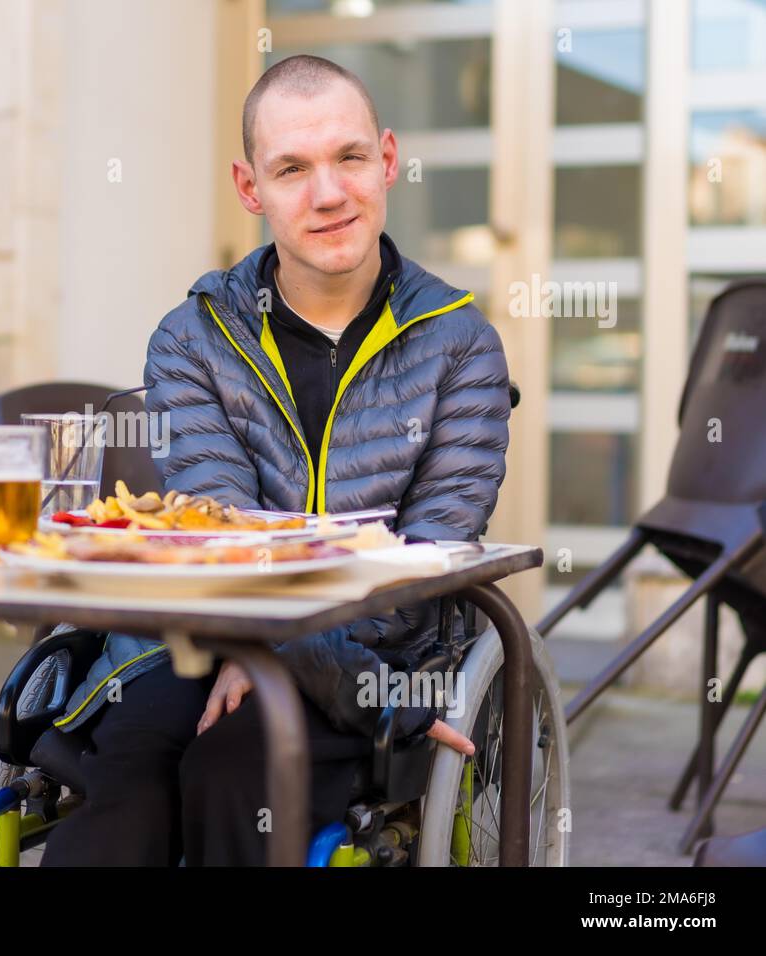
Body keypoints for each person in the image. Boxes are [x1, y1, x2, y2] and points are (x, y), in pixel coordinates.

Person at [39, 55, 510, 866]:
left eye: (350, 158)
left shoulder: (462, 345)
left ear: (388, 160)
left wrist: (288, 660)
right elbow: (225, 538)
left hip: (377, 666)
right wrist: (249, 646)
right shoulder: (192, 338)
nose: (328, 194)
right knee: (132, 788)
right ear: (250, 187)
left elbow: (421, 570)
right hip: (196, 639)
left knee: (233, 771)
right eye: (292, 168)